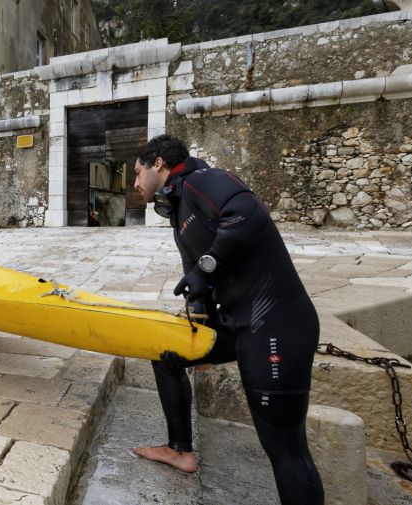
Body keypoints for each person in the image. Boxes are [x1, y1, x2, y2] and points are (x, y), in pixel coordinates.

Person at [130, 135, 323, 504]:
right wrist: (196, 322)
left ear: (158, 163)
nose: (136, 184)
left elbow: (249, 215)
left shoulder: (205, 180)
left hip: (276, 324)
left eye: (137, 173)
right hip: (237, 324)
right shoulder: (179, 206)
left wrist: (206, 267)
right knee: (164, 352)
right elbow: (199, 282)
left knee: (284, 447)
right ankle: (180, 450)